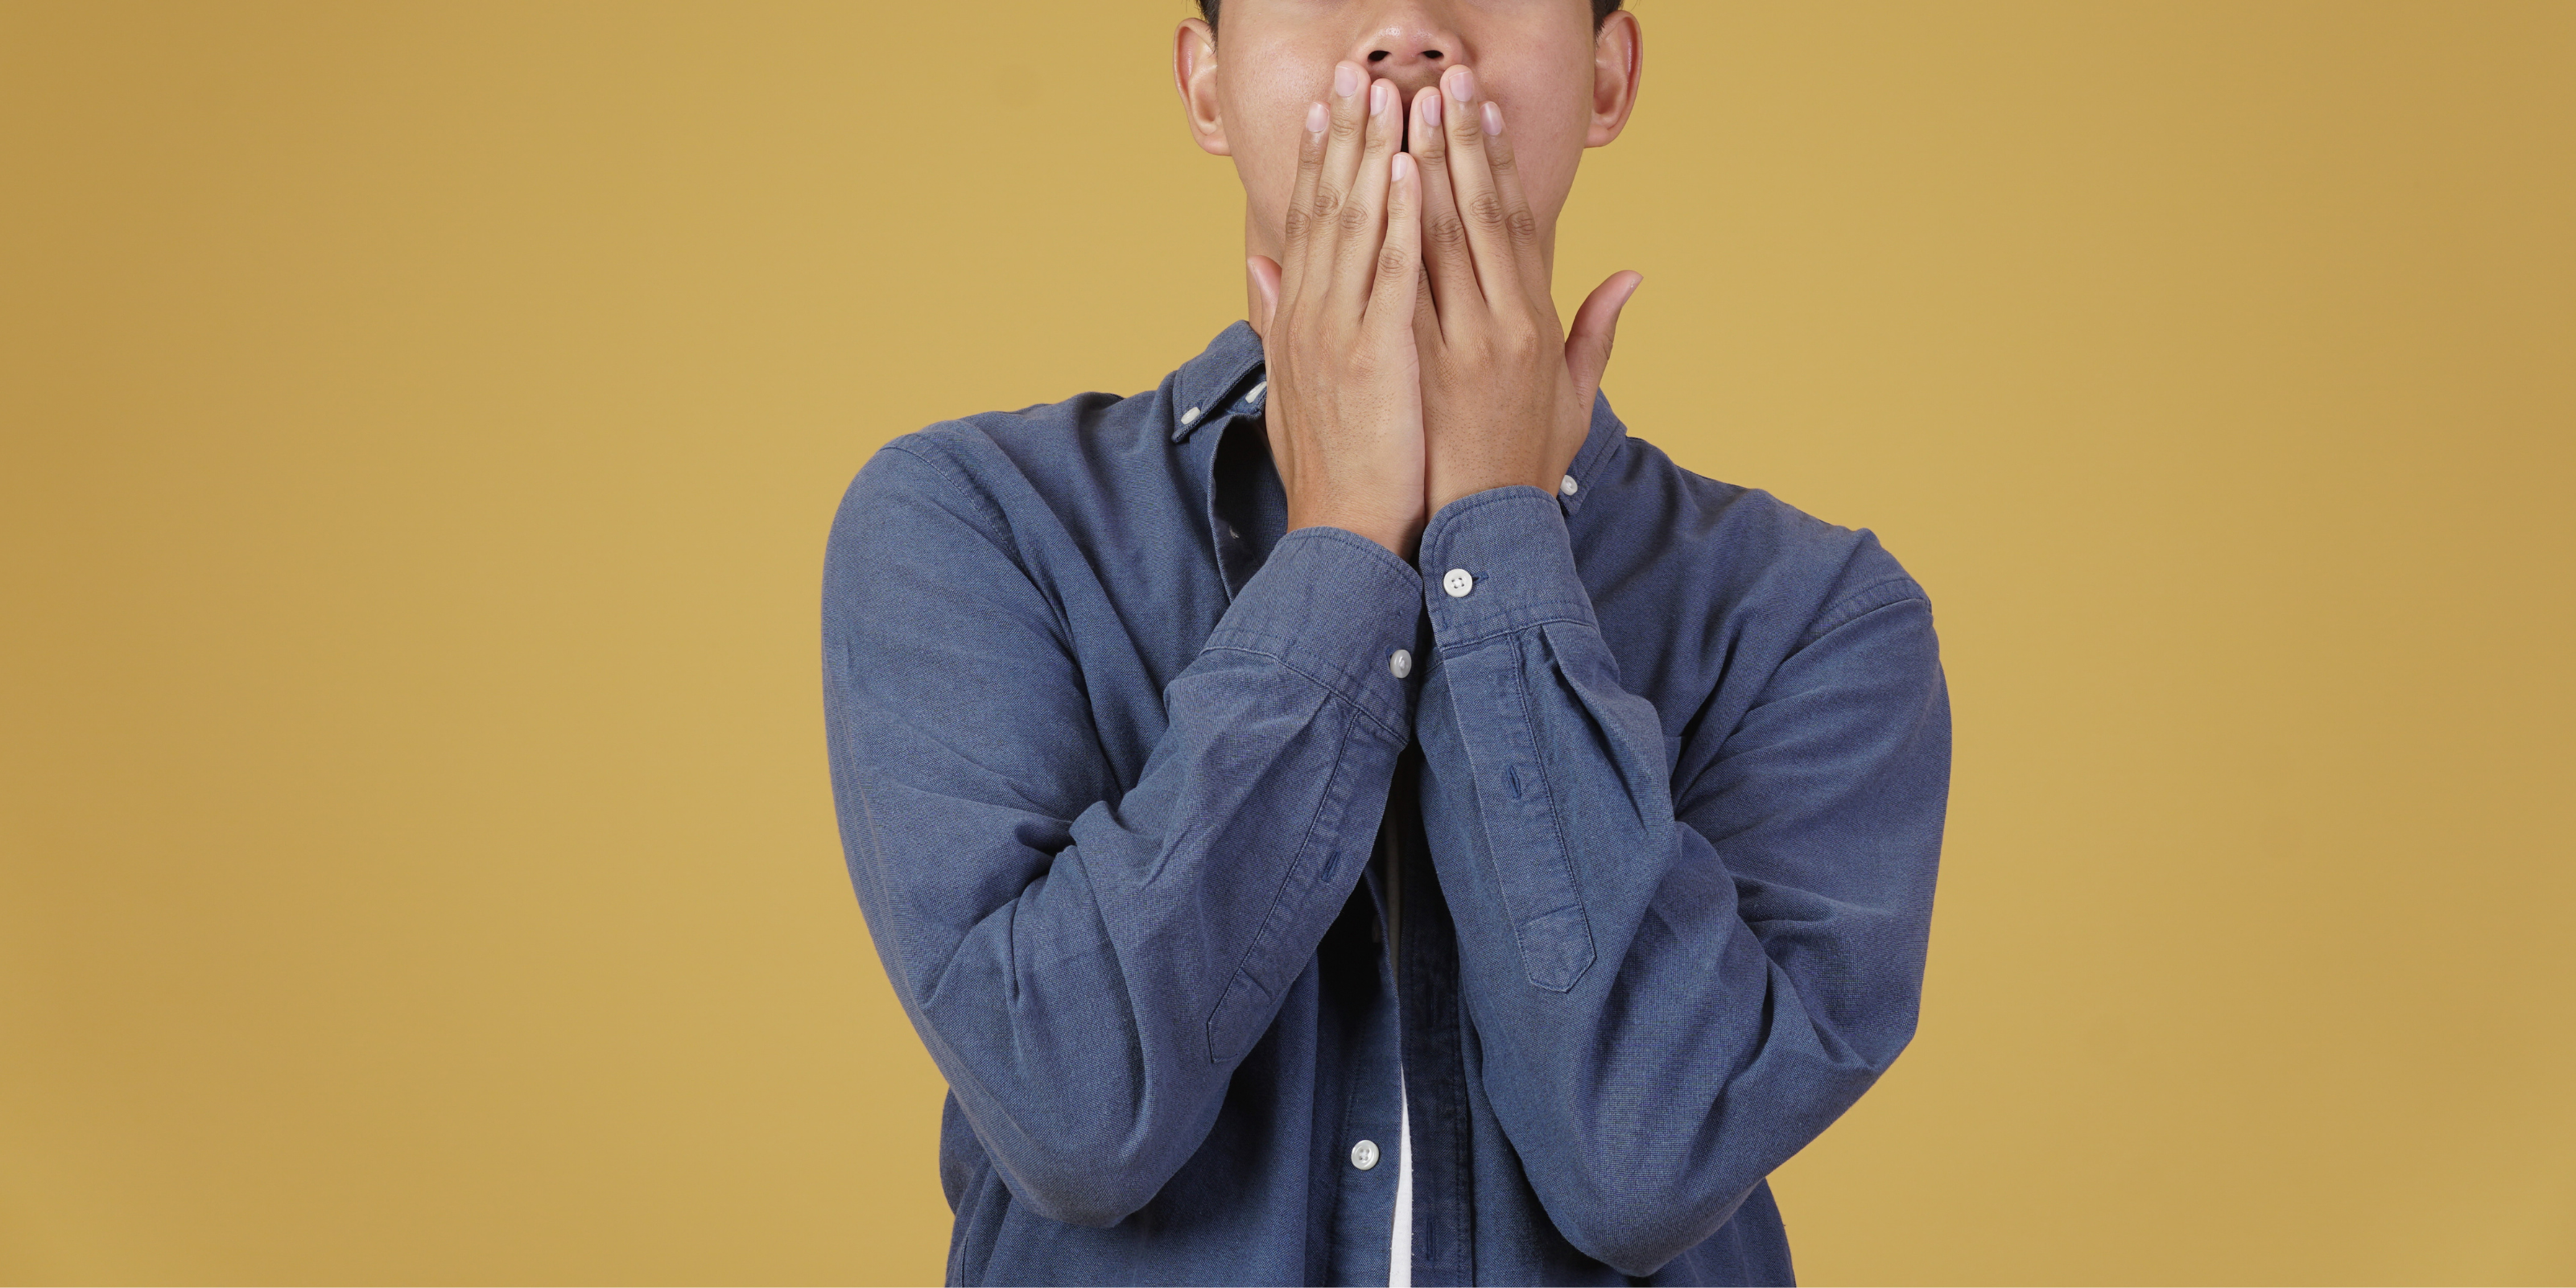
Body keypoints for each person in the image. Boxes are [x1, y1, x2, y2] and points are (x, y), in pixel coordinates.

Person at [819, 2, 1951, 1282]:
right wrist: (1347, 538)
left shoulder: (1815, 617)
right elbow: (1077, 1111)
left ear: (1608, 76)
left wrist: (1494, 535)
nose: (1409, 29)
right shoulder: (978, 523)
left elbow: (1645, 1162)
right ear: (1205, 87)